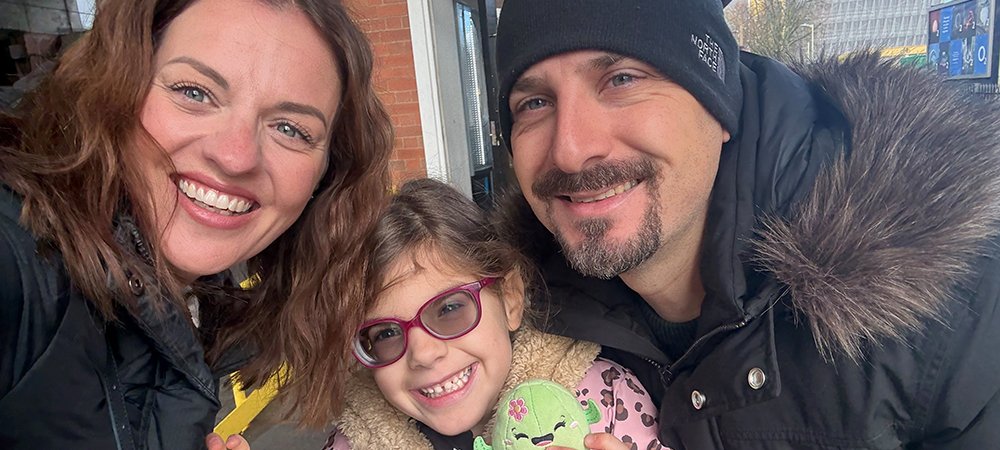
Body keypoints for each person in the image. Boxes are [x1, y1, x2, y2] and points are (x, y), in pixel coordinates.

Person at [494, 0, 1000, 448]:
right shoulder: (503, 321)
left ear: (719, 106)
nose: (572, 149)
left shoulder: (954, 310)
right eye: (534, 102)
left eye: (622, 79)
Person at [0, 0, 392, 449]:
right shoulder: (20, 261)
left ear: (327, 175)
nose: (235, 156)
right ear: (118, 87)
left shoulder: (203, 305)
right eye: (194, 92)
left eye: (290, 129)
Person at [324, 179, 666, 450]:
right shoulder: (354, 442)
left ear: (510, 298)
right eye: (385, 333)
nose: (424, 354)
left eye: (449, 309)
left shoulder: (607, 399)